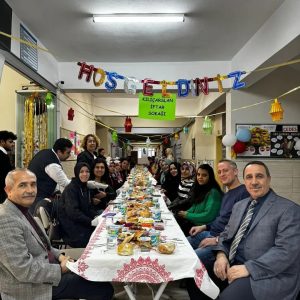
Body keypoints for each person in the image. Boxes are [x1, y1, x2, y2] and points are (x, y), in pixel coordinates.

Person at [0, 168, 113, 300]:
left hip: (48, 271)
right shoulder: (5, 219)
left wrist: (61, 257)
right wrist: (60, 269)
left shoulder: (21, 210)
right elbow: (23, 270)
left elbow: (45, 247)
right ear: (8, 190)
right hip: (33, 287)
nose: (30, 190)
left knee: (96, 272)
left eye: (33, 184)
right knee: (102, 288)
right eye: (22, 185)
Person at [213, 161, 300, 300]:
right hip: (232, 263)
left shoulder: (289, 210)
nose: (254, 182)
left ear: (269, 179)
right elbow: (225, 235)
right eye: (249, 177)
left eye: (259, 176)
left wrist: (248, 268)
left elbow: (286, 252)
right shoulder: (239, 205)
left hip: (267, 274)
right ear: (245, 181)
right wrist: (221, 255)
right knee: (195, 275)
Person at [188, 160, 249, 270]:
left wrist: (216, 240)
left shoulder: (244, 193)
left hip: (222, 242)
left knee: (192, 258)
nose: (222, 174)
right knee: (182, 245)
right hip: (210, 232)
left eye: (225, 171)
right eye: (219, 172)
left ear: (235, 171)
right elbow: (221, 218)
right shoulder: (227, 194)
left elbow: (240, 227)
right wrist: (204, 227)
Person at [58, 162, 98, 248]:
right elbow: (73, 213)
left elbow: (88, 207)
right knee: (97, 237)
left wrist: (97, 216)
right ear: (76, 173)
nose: (85, 174)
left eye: (87, 171)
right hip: (71, 228)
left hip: (81, 223)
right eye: (81, 172)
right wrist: (90, 222)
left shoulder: (84, 187)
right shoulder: (71, 189)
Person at [28, 138, 73, 213]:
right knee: (39, 222)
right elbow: (65, 183)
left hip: (33, 193)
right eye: (68, 153)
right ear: (59, 152)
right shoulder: (52, 164)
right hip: (38, 197)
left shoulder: (45, 152)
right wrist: (82, 182)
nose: (69, 155)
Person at [177, 164, 223, 236]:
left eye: (204, 175)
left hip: (203, 228)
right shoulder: (201, 188)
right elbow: (195, 206)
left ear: (210, 177)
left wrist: (188, 215)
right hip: (194, 223)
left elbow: (208, 216)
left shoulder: (213, 193)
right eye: (198, 174)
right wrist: (185, 213)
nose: (200, 177)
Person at [0, 131, 17, 203]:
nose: (13, 144)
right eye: (10, 142)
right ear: (2, 142)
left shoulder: (4, 154)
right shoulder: (2, 156)